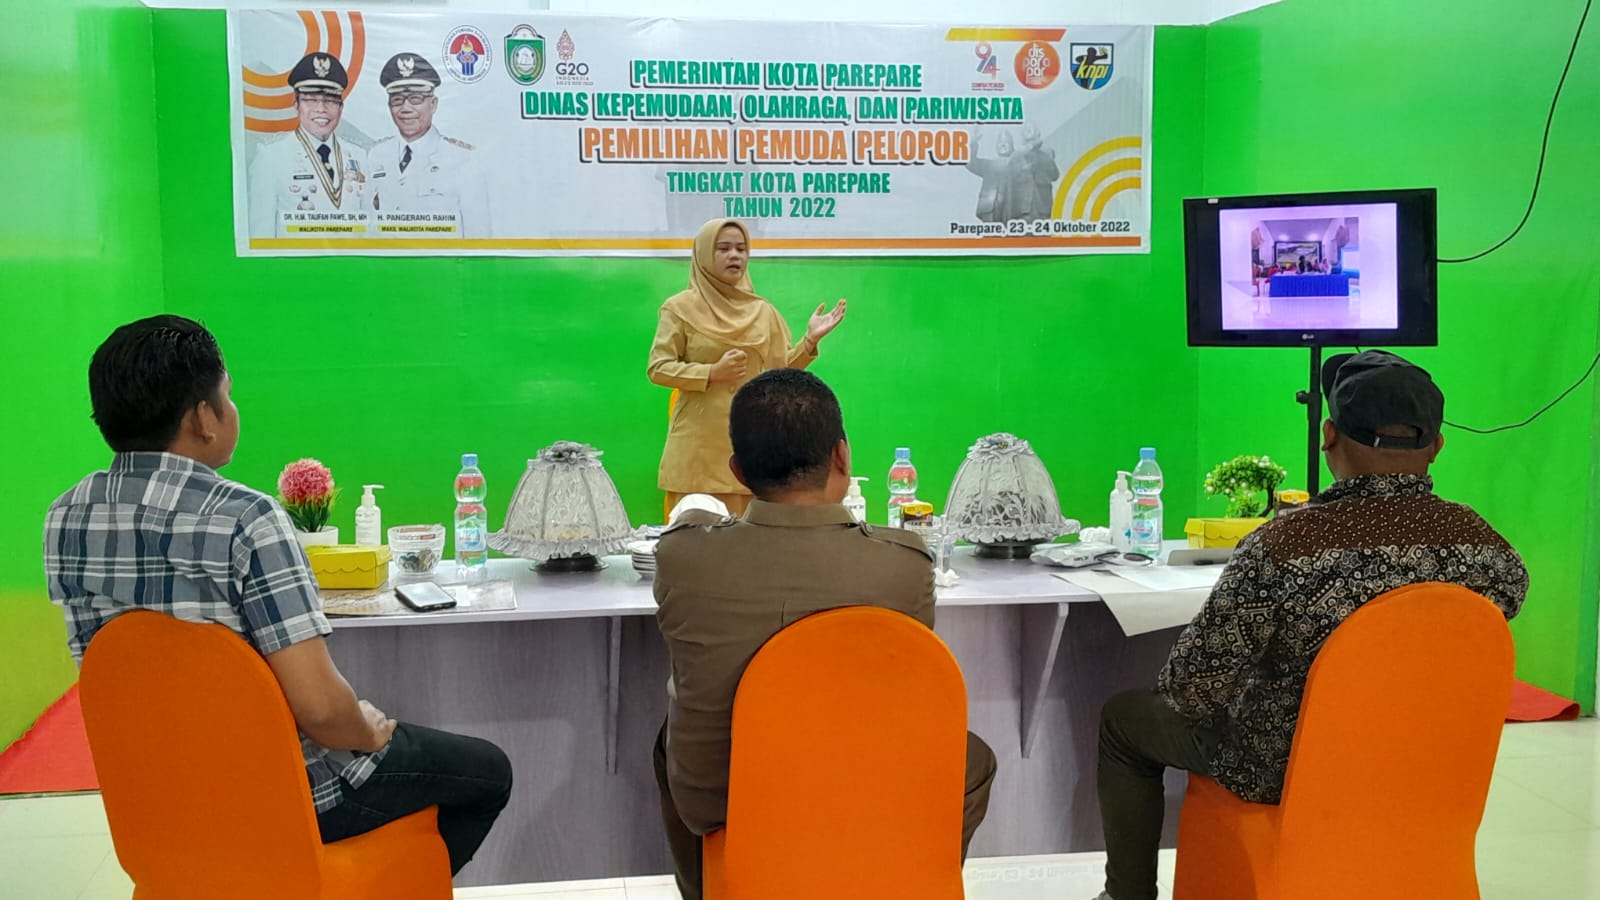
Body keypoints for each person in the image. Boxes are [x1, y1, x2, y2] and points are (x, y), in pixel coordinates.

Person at [43, 315, 513, 876]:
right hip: (287, 796)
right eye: (227, 395)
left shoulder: (65, 516)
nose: (232, 408)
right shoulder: (246, 518)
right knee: (488, 773)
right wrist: (367, 727)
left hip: (156, 801)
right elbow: (321, 711)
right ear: (202, 419)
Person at [1091, 350, 1528, 900]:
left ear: (1328, 436)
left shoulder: (1283, 547)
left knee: (1124, 720)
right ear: (1437, 445)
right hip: (1429, 767)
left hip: (1286, 768)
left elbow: (1190, 689)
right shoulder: (1486, 549)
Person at [651, 368, 997, 900]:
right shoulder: (903, 565)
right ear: (842, 456)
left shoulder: (682, 558)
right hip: (867, 790)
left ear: (738, 470)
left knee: (670, 739)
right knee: (971, 756)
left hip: (725, 802)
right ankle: (907, 878)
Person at [647, 218, 846, 517]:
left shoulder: (762, 311)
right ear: (704, 254)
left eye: (741, 249)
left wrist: (809, 342)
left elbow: (780, 374)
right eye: (724, 248)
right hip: (697, 450)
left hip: (750, 444)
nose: (735, 256)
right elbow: (658, 367)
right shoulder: (679, 308)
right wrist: (711, 372)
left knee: (752, 539)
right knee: (696, 538)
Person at [368, 53, 491, 238]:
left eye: (416, 99)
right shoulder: (377, 155)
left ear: (433, 104)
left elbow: (478, 235)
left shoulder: (463, 159)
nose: (406, 108)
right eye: (397, 100)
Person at [247, 53, 368, 238]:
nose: (321, 109)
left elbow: (369, 230)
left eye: (330, 100)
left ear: (341, 108)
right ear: (296, 105)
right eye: (311, 99)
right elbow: (261, 235)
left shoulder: (358, 157)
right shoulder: (271, 158)